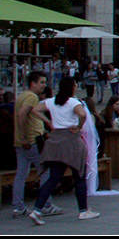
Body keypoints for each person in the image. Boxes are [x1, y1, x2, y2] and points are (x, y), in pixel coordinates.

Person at [27, 77, 99, 223]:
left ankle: (37, 209)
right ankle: (83, 210)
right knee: (79, 175)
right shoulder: (73, 102)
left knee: (54, 177)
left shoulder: (52, 101)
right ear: (72, 87)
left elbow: (34, 110)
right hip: (71, 139)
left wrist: (48, 121)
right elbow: (83, 114)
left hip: (55, 140)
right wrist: (79, 126)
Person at [12, 71, 61, 219]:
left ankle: (18, 206)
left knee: (21, 173)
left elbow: (31, 112)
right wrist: (24, 136)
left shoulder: (23, 95)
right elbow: (22, 114)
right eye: (42, 82)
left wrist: (46, 122)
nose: (44, 86)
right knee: (44, 171)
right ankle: (46, 204)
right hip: (32, 140)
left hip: (22, 141)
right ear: (33, 83)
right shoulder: (31, 97)